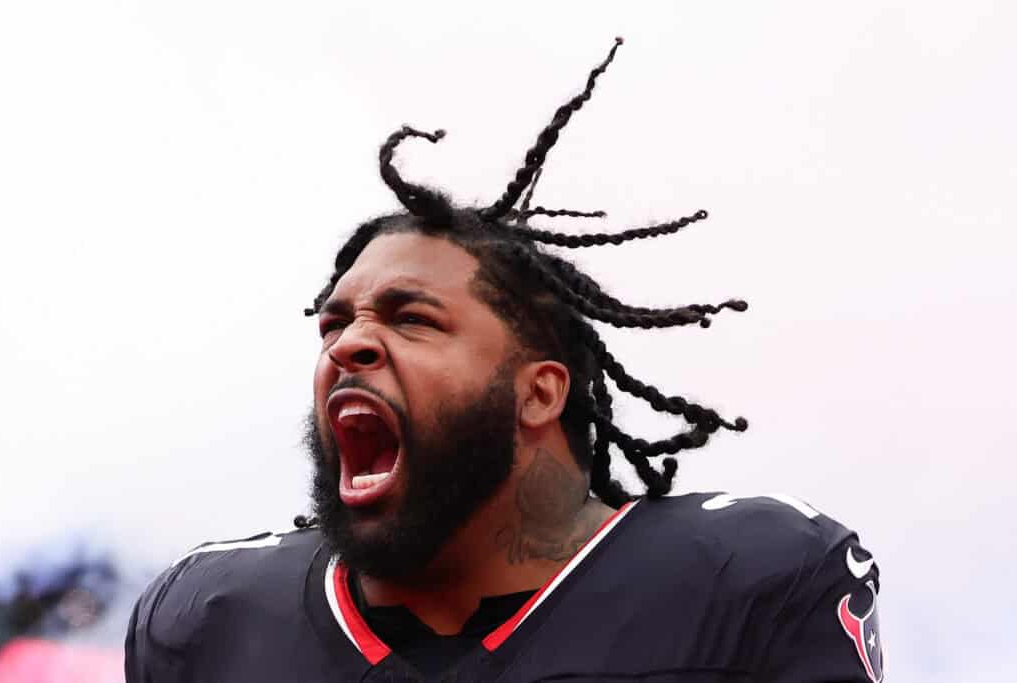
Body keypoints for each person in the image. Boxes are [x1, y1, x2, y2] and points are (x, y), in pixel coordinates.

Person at [124, 38, 883, 683]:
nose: (347, 345)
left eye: (411, 318)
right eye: (335, 325)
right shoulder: (210, 618)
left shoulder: (741, 581)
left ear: (540, 392)